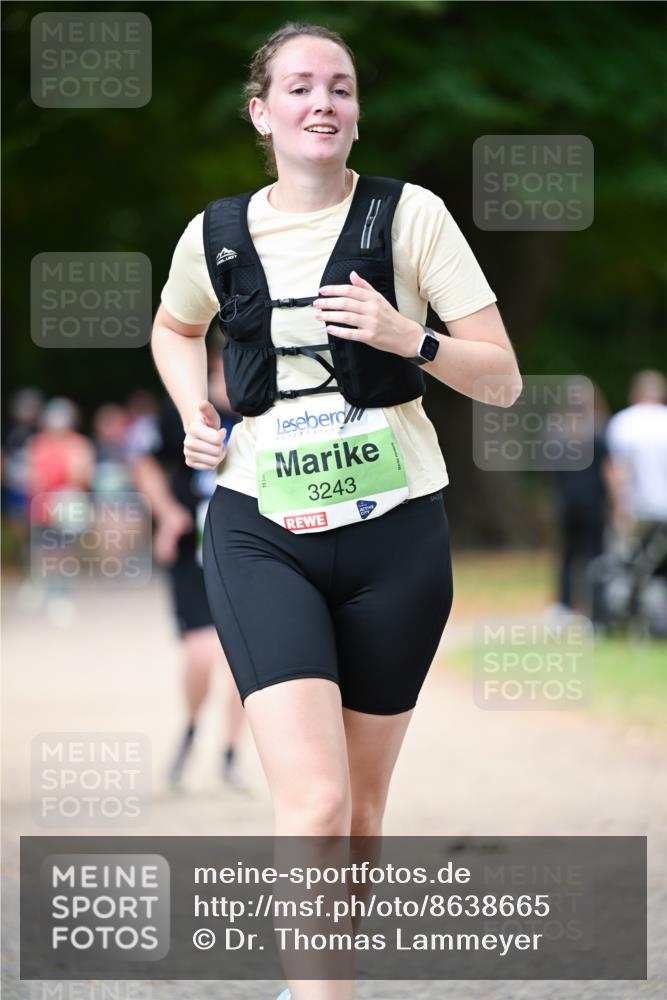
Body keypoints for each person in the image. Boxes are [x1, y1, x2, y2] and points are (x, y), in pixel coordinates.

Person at [150, 22, 521, 1000]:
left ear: (356, 114)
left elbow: (506, 380)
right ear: (261, 111)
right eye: (302, 87)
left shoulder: (412, 217)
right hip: (259, 528)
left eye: (342, 88)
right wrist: (195, 405)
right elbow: (173, 324)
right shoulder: (218, 234)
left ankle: (320, 978)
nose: (324, 102)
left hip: (396, 533)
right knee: (311, 803)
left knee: (356, 811)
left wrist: (412, 338)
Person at [132, 346, 246, 789]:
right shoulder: (185, 408)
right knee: (201, 654)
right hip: (191, 555)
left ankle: (231, 754)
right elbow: (143, 461)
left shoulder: (269, 406)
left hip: (250, 554)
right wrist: (167, 513)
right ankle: (191, 730)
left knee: (244, 662)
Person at [604, 369, 667, 633]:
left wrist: (619, 507)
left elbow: (617, 469)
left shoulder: (624, 422)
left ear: (634, 395)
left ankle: (627, 621)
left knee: (628, 568)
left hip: (637, 510)